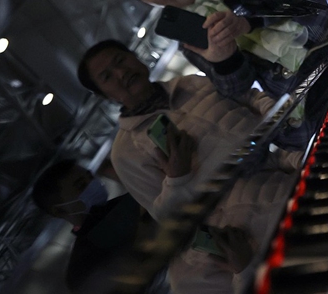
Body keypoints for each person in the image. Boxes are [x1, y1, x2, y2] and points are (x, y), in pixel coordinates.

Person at [77, 41, 300, 292]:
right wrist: (177, 177)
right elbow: (167, 217)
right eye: (107, 76)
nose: (121, 73)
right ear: (104, 95)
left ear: (135, 57)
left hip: (288, 182)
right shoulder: (125, 152)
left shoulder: (191, 83)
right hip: (251, 230)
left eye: (120, 60)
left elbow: (248, 96)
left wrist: (277, 116)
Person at [114, 0, 328, 108]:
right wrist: (225, 61)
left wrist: (250, 19)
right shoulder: (189, 40)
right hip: (303, 98)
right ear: (148, 3)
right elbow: (235, 89)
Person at [31, 160, 232, 294]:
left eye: (90, 178)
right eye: (79, 185)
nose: (92, 185)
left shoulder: (136, 199)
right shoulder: (81, 269)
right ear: (59, 211)